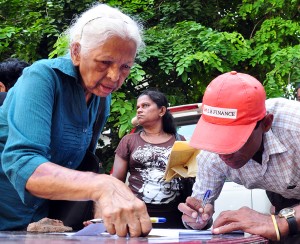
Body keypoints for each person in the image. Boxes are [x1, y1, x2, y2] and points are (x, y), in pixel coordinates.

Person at [0, 3, 152, 237]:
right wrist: (103, 185)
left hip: (42, 222)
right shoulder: (41, 77)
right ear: (76, 52)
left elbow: (80, 166)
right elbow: (22, 163)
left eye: (125, 67)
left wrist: (97, 208)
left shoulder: (102, 97)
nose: (114, 76)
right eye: (105, 62)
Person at [178, 71, 300, 242]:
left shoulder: (295, 127)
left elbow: (280, 224)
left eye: (234, 139)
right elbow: (200, 205)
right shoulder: (210, 157)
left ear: (266, 124)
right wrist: (196, 219)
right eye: (216, 138)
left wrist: (281, 222)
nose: (224, 153)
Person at [112, 89, 189, 228]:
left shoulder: (179, 141)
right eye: (138, 107)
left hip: (174, 217)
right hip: (137, 216)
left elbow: (188, 178)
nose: (139, 110)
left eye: (145, 106)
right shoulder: (128, 141)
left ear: (161, 111)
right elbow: (116, 181)